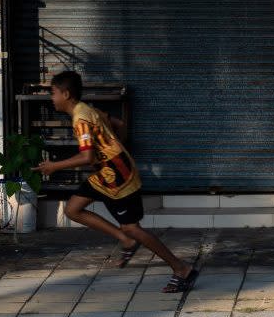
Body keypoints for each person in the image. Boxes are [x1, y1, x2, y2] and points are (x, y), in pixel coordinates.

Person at [35, 71, 197, 293]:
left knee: (132, 228)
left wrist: (53, 166)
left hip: (118, 178)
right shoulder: (87, 109)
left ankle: (181, 269)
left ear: (66, 94)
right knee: (73, 209)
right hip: (106, 174)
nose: (51, 99)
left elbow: (87, 157)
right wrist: (113, 146)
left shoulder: (81, 118)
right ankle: (125, 240)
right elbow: (119, 124)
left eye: (53, 93)